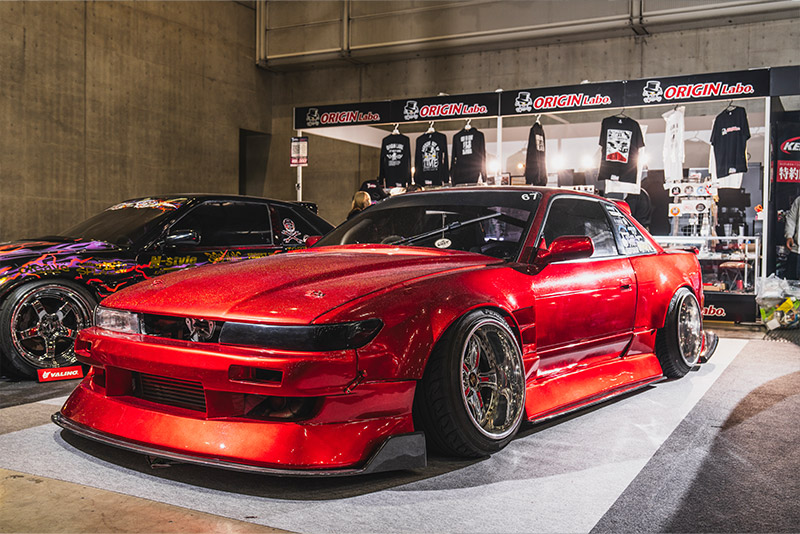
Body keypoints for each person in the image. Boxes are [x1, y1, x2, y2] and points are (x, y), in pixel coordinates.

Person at [784, 195, 800, 279]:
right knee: (792, 282)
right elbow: (791, 219)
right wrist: (789, 235)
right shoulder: (799, 200)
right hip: (797, 250)